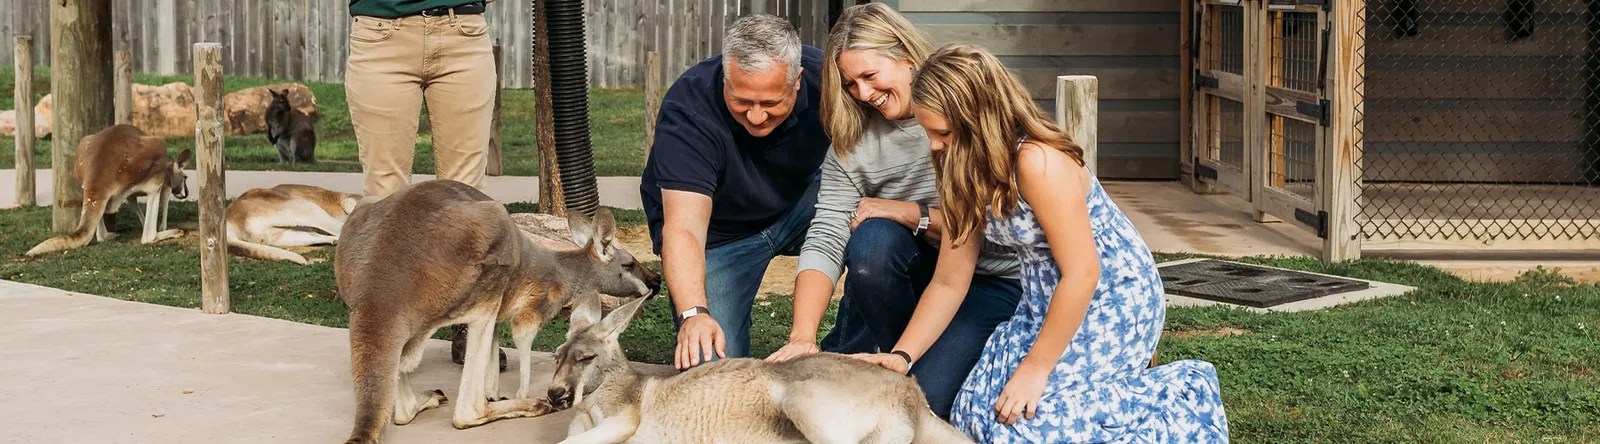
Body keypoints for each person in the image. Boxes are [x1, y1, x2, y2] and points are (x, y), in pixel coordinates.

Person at [850, 43, 1231, 442]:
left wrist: (1036, 367)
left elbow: (1083, 272)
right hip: (1042, 298)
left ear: (980, 120)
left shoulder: (1038, 162)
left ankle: (1177, 393)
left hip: (1109, 295)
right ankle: (1103, 384)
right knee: (973, 414)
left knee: (1027, 426)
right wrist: (901, 355)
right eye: (929, 132)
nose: (933, 145)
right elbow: (949, 281)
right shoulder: (959, 166)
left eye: (943, 133)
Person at [761, 3, 1023, 419]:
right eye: (850, 84)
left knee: (933, 403)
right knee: (872, 243)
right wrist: (802, 336)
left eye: (869, 76)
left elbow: (1002, 224)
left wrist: (909, 212)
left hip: (994, 277)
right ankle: (905, 355)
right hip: (929, 277)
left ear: (906, 57)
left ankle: (924, 361)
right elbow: (827, 234)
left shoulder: (961, 116)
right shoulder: (853, 143)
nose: (863, 94)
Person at [639, 14, 830, 370]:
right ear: (725, 77)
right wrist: (694, 313)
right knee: (711, 368)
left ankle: (850, 349)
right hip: (718, 237)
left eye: (771, 103)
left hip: (800, 206)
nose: (757, 117)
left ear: (798, 81)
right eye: (742, 101)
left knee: (875, 236)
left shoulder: (828, 80)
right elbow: (683, 227)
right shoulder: (689, 109)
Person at [344, 0, 499, 368]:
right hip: (381, 35)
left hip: (463, 32)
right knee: (385, 201)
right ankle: (385, 332)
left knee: (466, 201)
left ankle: (470, 327)